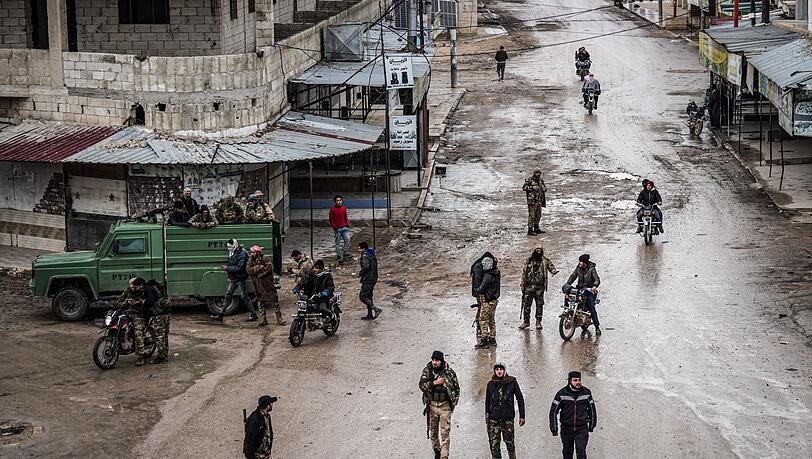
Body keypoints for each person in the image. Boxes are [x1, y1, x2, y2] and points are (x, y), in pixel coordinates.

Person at [419, 350, 460, 459]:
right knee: (433, 432)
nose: (434, 362)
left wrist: (453, 405)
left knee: (445, 435)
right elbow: (421, 385)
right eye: (433, 360)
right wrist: (434, 383)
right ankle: (437, 451)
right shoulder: (427, 371)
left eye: (437, 360)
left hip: (445, 407)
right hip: (432, 406)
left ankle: (444, 456)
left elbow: (457, 389)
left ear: (441, 361)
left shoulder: (449, 373)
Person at [549, 371, 597, 459]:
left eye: (579, 380)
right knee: (567, 453)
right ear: (569, 381)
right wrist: (554, 428)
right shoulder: (561, 394)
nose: (578, 382)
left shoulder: (586, 393)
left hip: (582, 428)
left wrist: (592, 425)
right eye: (575, 380)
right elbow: (553, 411)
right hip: (567, 429)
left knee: (581, 452)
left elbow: (592, 410)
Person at [486, 362, 526, 459]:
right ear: (495, 371)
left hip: (507, 420)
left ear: (504, 370)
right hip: (493, 420)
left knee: (510, 445)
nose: (499, 371)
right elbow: (487, 402)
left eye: (501, 369)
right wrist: (487, 417)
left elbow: (520, 398)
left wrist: (522, 416)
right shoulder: (490, 384)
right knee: (494, 447)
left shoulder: (512, 382)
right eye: (497, 369)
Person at [213, 239, 258, 322]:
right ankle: (221, 315)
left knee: (243, 297)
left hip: (240, 278)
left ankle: (253, 315)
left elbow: (239, 268)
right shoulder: (234, 252)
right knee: (229, 295)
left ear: (235, 245)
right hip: (235, 278)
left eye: (230, 246)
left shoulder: (242, 254)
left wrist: (227, 268)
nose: (229, 248)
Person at [520, 246, 559, 330]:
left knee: (539, 305)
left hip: (539, 287)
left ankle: (538, 322)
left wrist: (553, 271)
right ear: (534, 251)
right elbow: (523, 273)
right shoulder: (528, 260)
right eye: (537, 250)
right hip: (528, 286)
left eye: (540, 250)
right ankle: (526, 322)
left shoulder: (545, 260)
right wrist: (522, 285)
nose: (538, 252)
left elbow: (551, 266)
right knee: (526, 305)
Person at [115, 277, 151, 366]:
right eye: (132, 286)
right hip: (127, 313)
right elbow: (117, 303)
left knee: (138, 331)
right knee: (116, 325)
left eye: (135, 287)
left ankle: (140, 356)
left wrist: (139, 303)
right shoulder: (127, 291)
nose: (133, 288)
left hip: (139, 315)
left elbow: (148, 303)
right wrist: (126, 303)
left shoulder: (143, 291)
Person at [246, 245, 285, 326]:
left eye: (253, 252)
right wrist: (258, 267)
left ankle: (279, 319)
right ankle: (263, 319)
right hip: (258, 285)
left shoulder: (265, 259)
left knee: (274, 301)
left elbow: (269, 268)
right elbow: (249, 270)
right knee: (260, 302)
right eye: (251, 252)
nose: (252, 254)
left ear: (258, 252)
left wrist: (258, 274)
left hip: (268, 284)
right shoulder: (251, 260)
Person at [565, 254, 602, 335]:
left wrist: (594, 286)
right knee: (569, 297)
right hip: (580, 289)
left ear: (585, 262)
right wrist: (568, 284)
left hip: (590, 291)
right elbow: (573, 276)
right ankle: (568, 313)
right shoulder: (578, 268)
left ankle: (597, 327)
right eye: (579, 261)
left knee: (591, 307)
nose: (579, 263)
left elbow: (597, 279)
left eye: (581, 261)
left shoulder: (591, 269)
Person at [474, 255, 500, 349]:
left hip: (488, 301)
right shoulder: (496, 272)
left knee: (483, 319)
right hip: (494, 301)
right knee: (491, 319)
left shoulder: (488, 276)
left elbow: (481, 288)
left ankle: (484, 340)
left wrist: (476, 289)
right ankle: (492, 339)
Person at [470, 252, 495, 344]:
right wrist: (479, 294)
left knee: (484, 312)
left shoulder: (483, 265)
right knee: (481, 311)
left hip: (484, 292)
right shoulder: (478, 267)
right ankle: (480, 329)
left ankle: (482, 330)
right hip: (480, 293)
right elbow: (477, 282)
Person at [244, 395, 277, 459]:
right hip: (257, 456)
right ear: (268, 406)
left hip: (265, 454)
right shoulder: (255, 420)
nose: (272, 405)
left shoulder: (267, 416)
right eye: (271, 403)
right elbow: (249, 441)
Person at [146, 279, 171, 364]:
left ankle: (160, 357)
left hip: (158, 315)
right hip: (167, 313)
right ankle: (165, 354)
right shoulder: (160, 287)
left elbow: (150, 302)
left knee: (159, 336)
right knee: (165, 335)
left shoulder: (149, 288)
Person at [358, 241, 382, 320]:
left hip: (368, 278)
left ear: (363, 248)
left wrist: (361, 273)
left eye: (359, 248)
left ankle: (376, 309)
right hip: (374, 277)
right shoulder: (372, 253)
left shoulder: (365, 255)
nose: (358, 250)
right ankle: (369, 314)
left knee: (362, 296)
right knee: (369, 296)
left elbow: (365, 266)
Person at [522, 169, 547, 235]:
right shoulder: (529, 180)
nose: (538, 174)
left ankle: (536, 228)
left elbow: (545, 188)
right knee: (532, 216)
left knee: (538, 215)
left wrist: (543, 189)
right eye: (537, 173)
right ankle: (530, 230)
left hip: (539, 200)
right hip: (532, 201)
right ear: (534, 173)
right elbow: (524, 188)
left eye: (539, 173)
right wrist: (532, 188)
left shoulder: (541, 180)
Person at [328, 195, 351, 262]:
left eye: (340, 200)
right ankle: (338, 255)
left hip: (344, 227)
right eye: (337, 201)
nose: (339, 202)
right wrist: (335, 227)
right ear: (335, 202)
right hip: (337, 229)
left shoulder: (344, 208)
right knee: (337, 242)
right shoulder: (332, 209)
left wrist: (346, 224)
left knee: (347, 239)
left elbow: (345, 216)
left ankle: (345, 253)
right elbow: (331, 219)